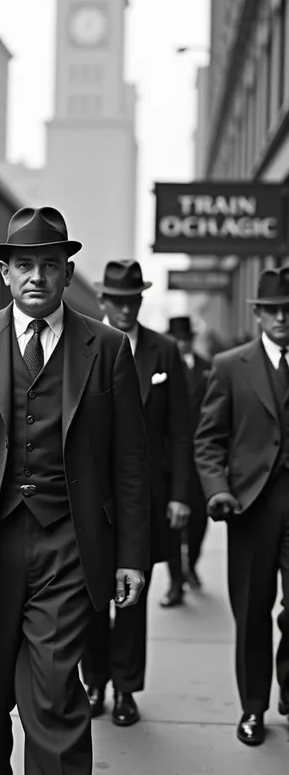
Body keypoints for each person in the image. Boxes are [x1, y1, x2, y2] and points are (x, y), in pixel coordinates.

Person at [0, 208, 150, 775]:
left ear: (66, 273)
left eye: (49, 265)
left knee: (58, 701)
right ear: (5, 275)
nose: (37, 276)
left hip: (69, 547)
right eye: (24, 266)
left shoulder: (107, 348)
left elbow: (130, 463)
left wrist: (131, 557)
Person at [81, 259, 191, 727]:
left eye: (133, 300)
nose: (125, 308)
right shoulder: (80, 343)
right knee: (89, 599)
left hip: (143, 498)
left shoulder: (163, 351)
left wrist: (180, 494)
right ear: (104, 301)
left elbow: (182, 430)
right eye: (117, 300)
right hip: (88, 498)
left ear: (141, 300)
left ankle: (126, 690)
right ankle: (94, 682)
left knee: (132, 599)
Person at [194, 265, 289, 747]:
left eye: (287, 310)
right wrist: (216, 489)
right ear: (257, 315)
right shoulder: (232, 365)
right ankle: (254, 708)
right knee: (251, 613)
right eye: (272, 310)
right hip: (250, 509)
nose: (281, 318)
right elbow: (208, 439)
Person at [160, 316, 211, 607]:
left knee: (200, 521)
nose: (181, 343)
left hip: (202, 461)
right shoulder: (162, 367)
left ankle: (191, 562)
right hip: (170, 461)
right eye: (177, 338)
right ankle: (176, 582)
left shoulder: (207, 368)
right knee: (172, 524)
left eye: (185, 338)